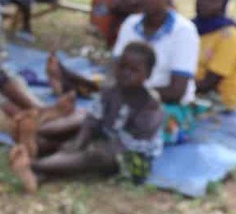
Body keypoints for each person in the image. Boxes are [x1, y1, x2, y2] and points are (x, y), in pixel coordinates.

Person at [11, 42, 164, 192]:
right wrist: (80, 141)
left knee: (93, 154)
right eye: (122, 66)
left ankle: (32, 165)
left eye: (134, 70)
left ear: (148, 75)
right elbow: (93, 118)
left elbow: (128, 144)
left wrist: (88, 146)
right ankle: (35, 160)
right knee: (72, 143)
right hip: (106, 137)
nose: (126, 73)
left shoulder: (149, 104)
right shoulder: (111, 89)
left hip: (132, 157)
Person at [113, 0, 199, 145]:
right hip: (128, 98)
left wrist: (132, 95)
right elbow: (115, 69)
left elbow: (177, 91)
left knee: (122, 125)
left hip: (169, 107)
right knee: (94, 119)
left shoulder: (184, 32)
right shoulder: (130, 24)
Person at [193, 0, 236, 111]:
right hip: (193, 86)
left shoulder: (229, 36)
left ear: (222, 5)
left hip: (217, 95)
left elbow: (210, 82)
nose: (203, 3)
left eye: (211, 0)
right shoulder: (194, 27)